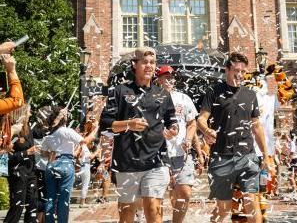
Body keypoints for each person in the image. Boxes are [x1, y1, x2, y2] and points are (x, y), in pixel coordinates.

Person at [100, 47, 178, 223]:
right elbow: (104, 124)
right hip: (127, 162)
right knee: (127, 216)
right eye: (145, 62)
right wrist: (129, 124)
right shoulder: (119, 91)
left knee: (153, 209)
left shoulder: (163, 94)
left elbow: (172, 121)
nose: (149, 66)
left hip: (156, 160)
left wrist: (173, 130)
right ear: (135, 65)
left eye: (152, 62)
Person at [197, 51, 269, 223]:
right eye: (236, 70)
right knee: (224, 211)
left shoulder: (250, 95)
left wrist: (266, 155)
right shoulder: (213, 91)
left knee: (252, 203)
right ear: (227, 69)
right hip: (221, 156)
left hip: (247, 156)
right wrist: (207, 131)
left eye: (243, 71)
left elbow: (256, 126)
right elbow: (201, 119)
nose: (240, 74)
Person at [155, 65, 202, 223]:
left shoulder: (183, 98)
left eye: (172, 77)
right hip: (158, 154)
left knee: (185, 192)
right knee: (158, 194)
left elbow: (192, 123)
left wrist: (188, 139)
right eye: (166, 77)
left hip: (181, 153)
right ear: (158, 79)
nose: (170, 80)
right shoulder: (152, 98)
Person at [41, 106, 98, 223]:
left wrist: (55, 151)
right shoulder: (66, 131)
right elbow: (85, 141)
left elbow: (43, 153)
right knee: (64, 199)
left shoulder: (48, 134)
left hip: (51, 164)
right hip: (65, 164)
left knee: (50, 198)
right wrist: (96, 129)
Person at [4, 104, 45, 223]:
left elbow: (43, 132)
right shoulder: (12, 131)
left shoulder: (29, 129)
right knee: (17, 206)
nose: (31, 114)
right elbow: (7, 157)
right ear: (21, 114)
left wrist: (56, 119)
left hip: (30, 172)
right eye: (29, 112)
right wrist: (26, 152)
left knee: (33, 205)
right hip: (17, 173)